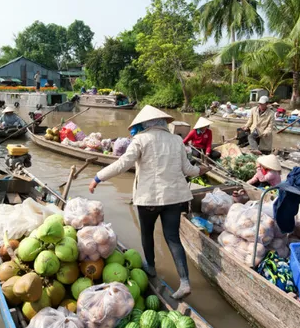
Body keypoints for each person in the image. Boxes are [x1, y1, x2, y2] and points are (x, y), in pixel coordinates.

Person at [88, 105, 210, 299]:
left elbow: (122, 164)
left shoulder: (140, 140)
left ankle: (151, 268)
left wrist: (98, 178)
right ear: (163, 123)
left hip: (149, 199)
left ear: (145, 124)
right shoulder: (177, 140)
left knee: (147, 233)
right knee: (172, 238)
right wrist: (200, 170)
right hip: (174, 199)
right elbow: (187, 169)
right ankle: (185, 281)